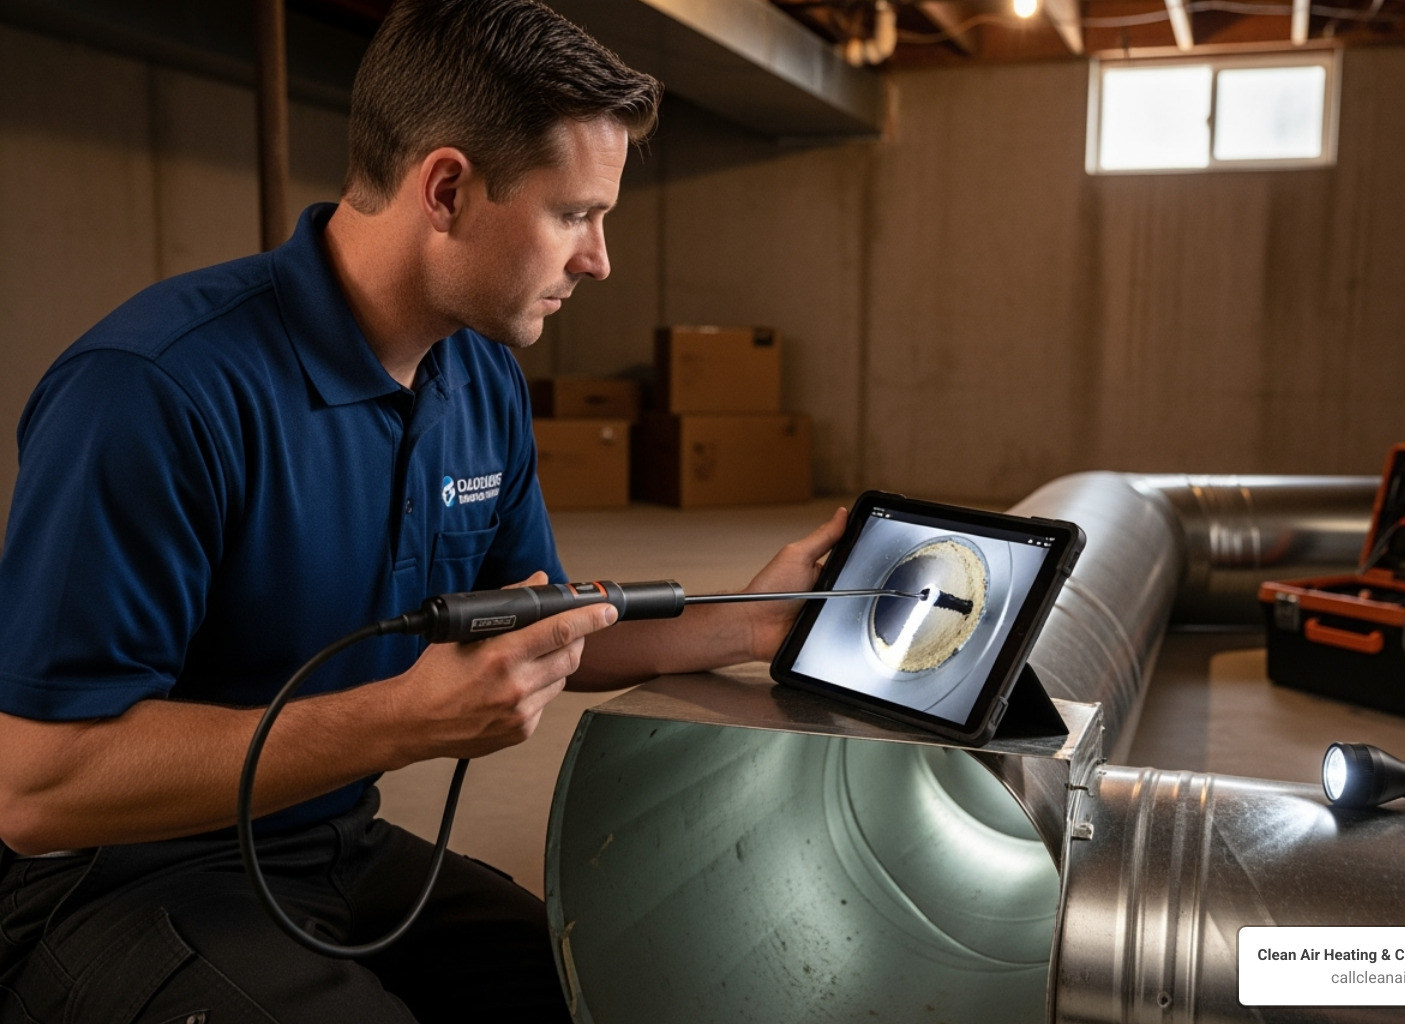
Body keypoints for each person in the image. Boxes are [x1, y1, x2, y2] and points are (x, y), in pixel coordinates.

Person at [0, 2, 844, 1021]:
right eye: (575, 214)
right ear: (445, 189)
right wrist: (402, 720)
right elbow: (39, 786)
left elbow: (529, 613)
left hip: (333, 842)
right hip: (121, 884)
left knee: (593, 992)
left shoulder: (479, 376)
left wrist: (753, 622)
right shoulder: (153, 391)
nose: (600, 259)